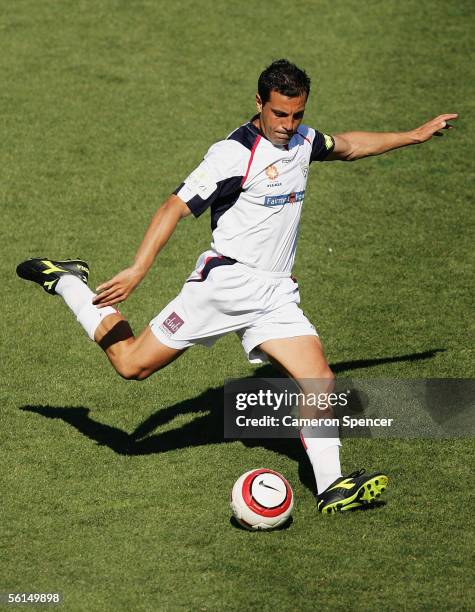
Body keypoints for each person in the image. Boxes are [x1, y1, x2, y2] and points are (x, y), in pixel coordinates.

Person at [17, 59, 457, 514]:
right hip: (223, 287)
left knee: (319, 379)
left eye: (298, 114)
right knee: (132, 366)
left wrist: (413, 135)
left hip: (275, 293)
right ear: (259, 103)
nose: (289, 125)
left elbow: (347, 146)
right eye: (280, 114)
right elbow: (173, 208)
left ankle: (332, 488)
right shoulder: (231, 154)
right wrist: (137, 269)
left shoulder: (303, 140)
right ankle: (69, 282)